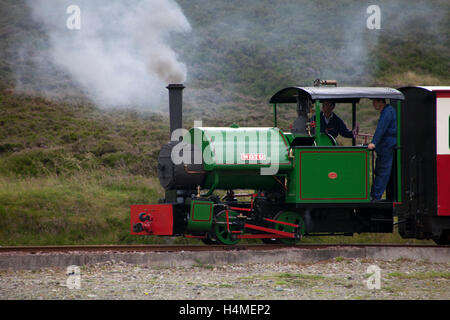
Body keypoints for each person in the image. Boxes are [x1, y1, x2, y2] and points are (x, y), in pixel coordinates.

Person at [368, 98, 397, 201]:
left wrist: (374, 143)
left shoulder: (387, 112)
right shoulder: (387, 111)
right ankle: (375, 194)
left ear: (381, 102)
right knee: (380, 170)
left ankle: (375, 196)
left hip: (387, 145)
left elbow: (381, 128)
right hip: (385, 145)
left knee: (383, 171)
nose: (373, 104)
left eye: (375, 101)